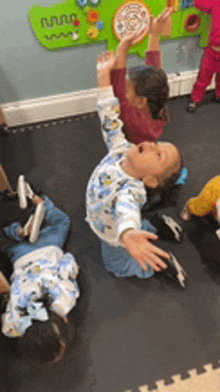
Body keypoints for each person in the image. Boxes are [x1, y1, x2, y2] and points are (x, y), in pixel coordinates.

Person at [85, 50, 187, 289]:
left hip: (115, 235)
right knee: (137, 227)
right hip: (108, 219)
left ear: (150, 181)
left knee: (118, 266)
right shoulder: (121, 147)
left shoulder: (131, 191)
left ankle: (161, 264)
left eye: (158, 154)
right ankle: (154, 226)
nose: (151, 144)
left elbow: (126, 212)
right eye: (158, 145)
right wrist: (103, 76)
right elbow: (108, 115)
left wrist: (128, 235)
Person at [0, 178, 80, 363]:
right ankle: (17, 231)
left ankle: (38, 200)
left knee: (62, 223)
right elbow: (5, 323)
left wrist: (72, 264)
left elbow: (68, 266)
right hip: (18, 257)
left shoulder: (63, 302)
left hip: (48, 249)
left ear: (64, 322)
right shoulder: (14, 326)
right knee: (4, 241)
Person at [110, 7, 173, 145]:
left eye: (128, 90)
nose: (125, 91)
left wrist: (122, 51)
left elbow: (118, 90)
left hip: (131, 151)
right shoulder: (158, 107)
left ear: (141, 101)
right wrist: (155, 34)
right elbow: (154, 70)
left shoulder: (132, 118)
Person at [187, 0, 220, 113]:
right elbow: (197, 3)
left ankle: (219, 95)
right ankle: (195, 99)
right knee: (203, 78)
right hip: (212, 52)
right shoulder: (216, 3)